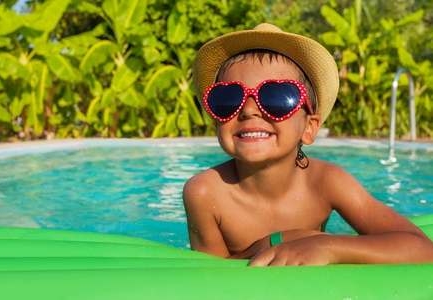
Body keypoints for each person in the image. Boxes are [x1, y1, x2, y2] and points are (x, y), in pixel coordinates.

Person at [183, 23, 433, 266]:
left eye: (276, 97)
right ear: (217, 123)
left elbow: (421, 248)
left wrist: (327, 247)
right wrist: (277, 241)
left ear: (309, 128)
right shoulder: (205, 193)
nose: (249, 110)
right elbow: (211, 277)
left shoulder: (326, 182)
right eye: (228, 98)